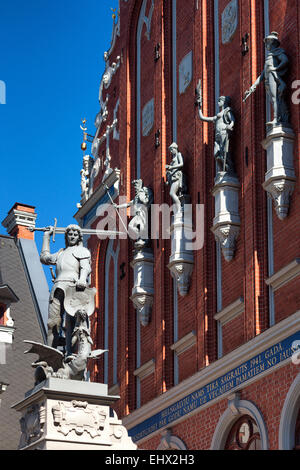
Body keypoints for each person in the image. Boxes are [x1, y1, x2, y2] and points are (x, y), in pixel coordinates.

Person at [40, 224, 91, 354]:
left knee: (72, 323)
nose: (72, 236)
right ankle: (50, 354)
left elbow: (85, 267)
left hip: (73, 287)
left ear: (79, 237)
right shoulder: (61, 253)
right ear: (66, 236)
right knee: (53, 323)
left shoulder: (82, 251)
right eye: (70, 234)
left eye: (75, 234)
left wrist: (82, 279)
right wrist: (46, 237)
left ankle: (71, 354)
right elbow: (44, 258)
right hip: (58, 286)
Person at [244, 32, 289, 125]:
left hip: (273, 77)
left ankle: (277, 119)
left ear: (272, 42)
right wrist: (254, 86)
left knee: (274, 97)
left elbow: (285, 60)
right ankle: (277, 117)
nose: (265, 45)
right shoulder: (270, 55)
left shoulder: (277, 52)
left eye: (267, 42)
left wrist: (275, 68)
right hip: (268, 79)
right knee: (272, 99)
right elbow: (263, 74)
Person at [196, 84, 235, 174]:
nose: (218, 102)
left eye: (219, 100)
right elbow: (203, 118)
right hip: (217, 135)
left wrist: (230, 125)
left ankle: (229, 170)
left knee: (225, 152)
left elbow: (232, 120)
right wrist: (199, 107)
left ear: (224, 101)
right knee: (216, 153)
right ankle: (221, 170)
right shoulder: (216, 116)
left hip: (223, 132)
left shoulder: (226, 111)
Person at [113, 179, 153, 246]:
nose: (135, 187)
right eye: (134, 186)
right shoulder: (136, 198)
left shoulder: (143, 193)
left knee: (141, 226)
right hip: (137, 214)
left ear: (140, 185)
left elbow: (146, 201)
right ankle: (140, 238)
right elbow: (128, 204)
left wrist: (141, 196)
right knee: (131, 226)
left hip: (142, 212)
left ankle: (143, 239)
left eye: (136, 185)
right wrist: (117, 207)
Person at [166, 143, 187, 212]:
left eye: (172, 149)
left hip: (177, 177)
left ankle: (179, 208)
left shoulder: (178, 154)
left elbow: (181, 164)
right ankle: (179, 207)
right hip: (173, 177)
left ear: (175, 148)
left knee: (172, 193)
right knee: (174, 193)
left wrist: (172, 167)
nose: (171, 151)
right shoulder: (173, 157)